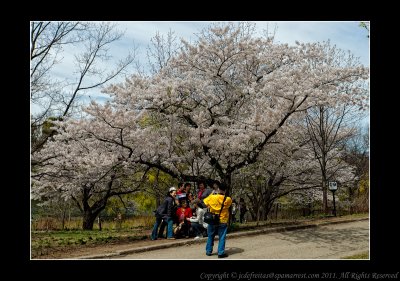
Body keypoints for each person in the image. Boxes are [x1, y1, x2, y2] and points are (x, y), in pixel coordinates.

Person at [203, 181, 232, 258]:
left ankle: (208, 251)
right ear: (225, 190)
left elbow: (204, 203)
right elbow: (228, 206)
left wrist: (212, 194)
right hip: (223, 220)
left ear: (218, 189)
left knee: (210, 236)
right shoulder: (228, 199)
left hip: (212, 220)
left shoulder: (212, 197)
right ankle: (221, 253)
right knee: (222, 237)